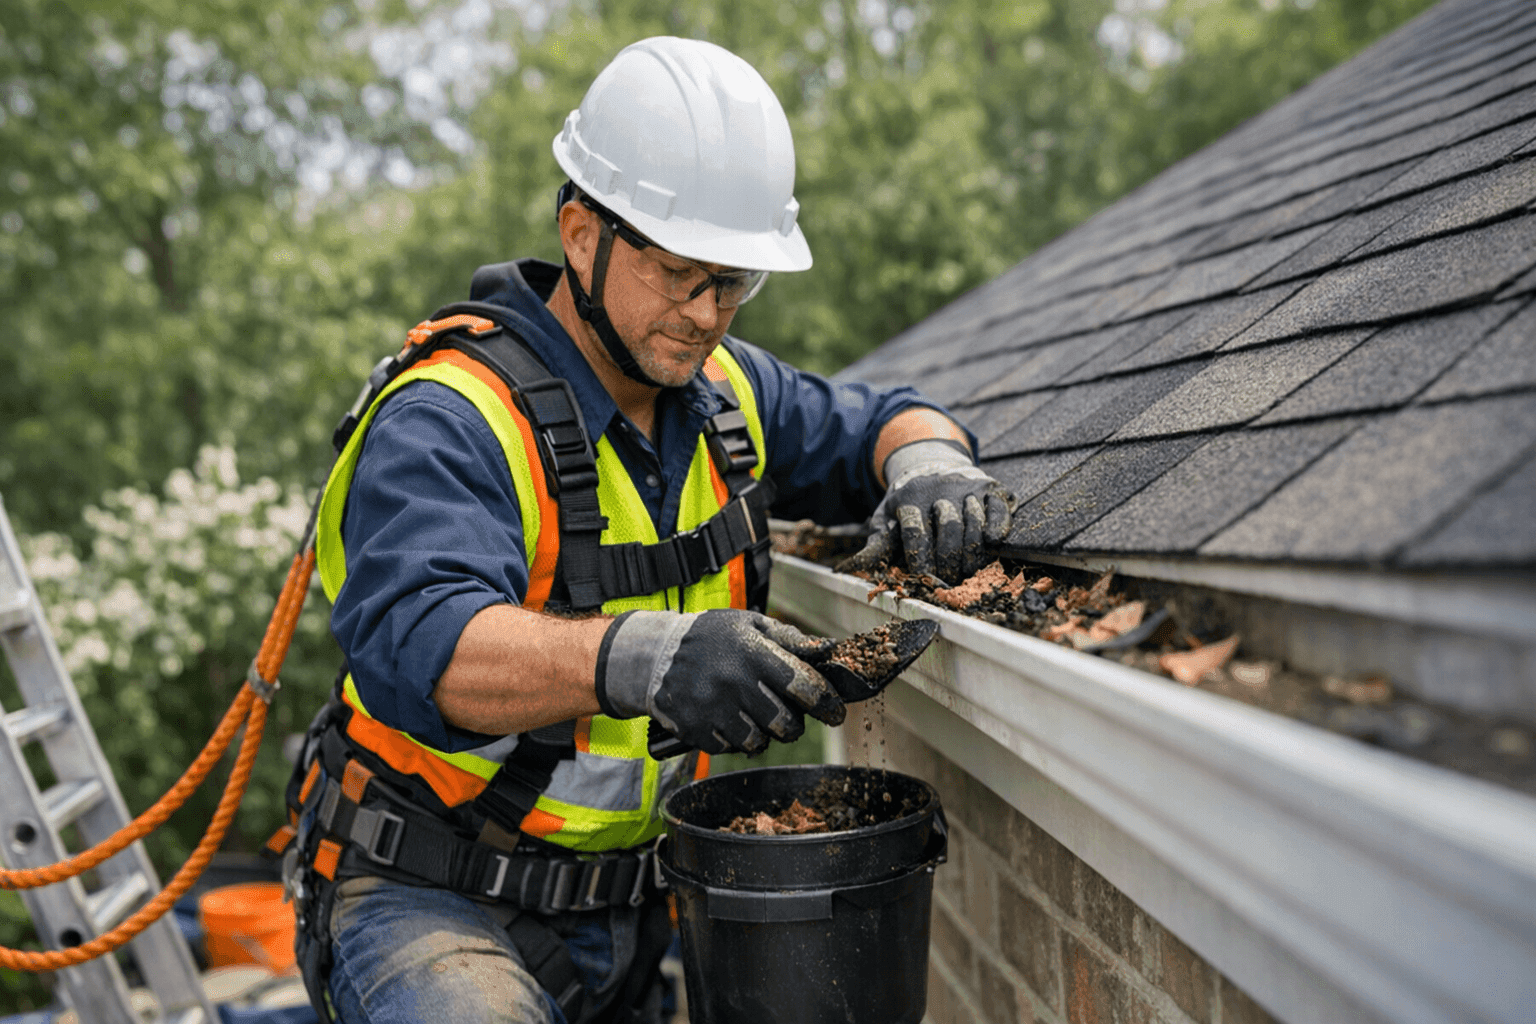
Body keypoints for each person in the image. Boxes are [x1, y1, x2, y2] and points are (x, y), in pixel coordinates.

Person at [274, 35, 1013, 1024]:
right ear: (583, 235)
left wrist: (931, 464)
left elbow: (883, 419)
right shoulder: (451, 415)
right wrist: (649, 656)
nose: (709, 313)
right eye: (681, 274)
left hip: (632, 919)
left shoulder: (727, 395)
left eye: (736, 282)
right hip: (427, 896)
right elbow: (424, 645)